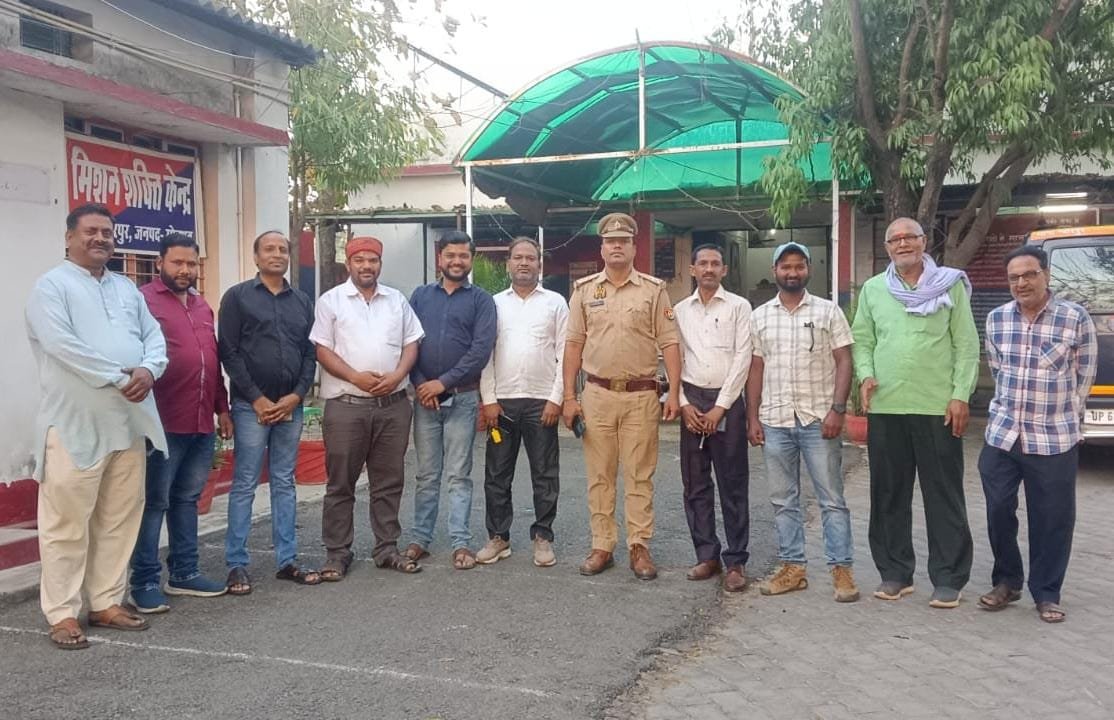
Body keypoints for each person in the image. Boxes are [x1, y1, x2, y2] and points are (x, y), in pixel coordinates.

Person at [26, 203, 167, 649]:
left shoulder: (126, 288)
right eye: (90, 231)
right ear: (69, 237)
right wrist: (120, 376)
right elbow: (61, 345)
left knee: (119, 518)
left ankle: (106, 602)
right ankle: (62, 612)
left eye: (107, 232)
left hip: (128, 421)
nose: (100, 239)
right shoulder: (51, 287)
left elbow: (154, 337)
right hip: (74, 424)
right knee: (66, 523)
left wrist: (149, 369)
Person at [852, 217, 980, 609]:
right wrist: (866, 375)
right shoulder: (874, 289)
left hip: (936, 407)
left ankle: (949, 578)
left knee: (943, 494)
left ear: (924, 242)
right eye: (896, 239)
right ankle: (895, 573)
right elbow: (862, 339)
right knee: (888, 493)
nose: (903, 243)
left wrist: (960, 395)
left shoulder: (949, 285)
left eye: (911, 237)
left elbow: (966, 345)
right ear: (887, 248)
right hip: (887, 406)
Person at [977, 245, 1097, 624]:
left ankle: (1046, 592)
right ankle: (1007, 581)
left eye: (1029, 274)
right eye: (1014, 277)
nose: (1021, 283)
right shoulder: (996, 319)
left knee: (1052, 518)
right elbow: (998, 370)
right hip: (1003, 435)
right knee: (998, 509)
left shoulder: (1074, 318)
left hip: (1053, 437)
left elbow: (1084, 378)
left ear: (1046, 275)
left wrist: (1068, 420)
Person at [562, 212, 682, 580]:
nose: (616, 246)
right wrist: (569, 396)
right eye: (610, 241)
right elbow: (573, 344)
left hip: (640, 396)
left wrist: (674, 393)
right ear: (601, 248)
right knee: (599, 474)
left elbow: (670, 342)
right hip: (597, 394)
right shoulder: (584, 291)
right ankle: (602, 545)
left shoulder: (653, 290)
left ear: (633, 247)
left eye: (623, 241)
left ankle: (639, 545)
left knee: (639, 474)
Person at [746, 242, 859, 603]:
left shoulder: (828, 311)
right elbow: (756, 368)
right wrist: (752, 416)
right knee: (783, 500)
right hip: (775, 419)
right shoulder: (760, 316)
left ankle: (841, 570)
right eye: (786, 267)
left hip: (818, 420)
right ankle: (793, 568)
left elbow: (844, 360)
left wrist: (837, 409)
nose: (792, 272)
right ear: (775, 271)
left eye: (799, 266)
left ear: (808, 269)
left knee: (832, 499)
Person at [310, 237, 424, 580]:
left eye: (372, 260)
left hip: (393, 405)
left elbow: (411, 343)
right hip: (347, 406)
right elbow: (322, 350)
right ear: (349, 264)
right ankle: (337, 553)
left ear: (380, 264)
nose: (366, 266)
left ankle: (386, 548)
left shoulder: (396, 301)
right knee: (340, 483)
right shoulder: (331, 301)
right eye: (359, 260)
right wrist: (355, 377)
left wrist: (399, 375)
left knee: (388, 481)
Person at [130, 233, 232, 613]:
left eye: (191, 263)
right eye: (177, 262)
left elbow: (211, 361)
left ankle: (184, 573)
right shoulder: (142, 301)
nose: (185, 270)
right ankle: (143, 581)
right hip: (162, 421)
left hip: (200, 420)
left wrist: (222, 408)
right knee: (154, 502)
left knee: (187, 499)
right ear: (160, 263)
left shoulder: (202, 306)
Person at [219, 230, 319, 594]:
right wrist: (257, 399)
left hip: (290, 405)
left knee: (284, 481)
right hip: (252, 407)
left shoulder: (302, 301)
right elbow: (228, 351)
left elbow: (310, 353)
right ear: (256, 257)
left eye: (282, 249)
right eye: (269, 249)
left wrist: (297, 395)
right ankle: (236, 564)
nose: (277, 254)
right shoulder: (238, 297)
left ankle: (287, 560)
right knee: (245, 482)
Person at [405, 231, 497, 570]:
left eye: (463, 256)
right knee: (426, 474)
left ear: (471, 259)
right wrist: (421, 385)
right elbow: (408, 342)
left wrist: (441, 384)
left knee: (459, 474)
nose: (457, 261)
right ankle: (420, 539)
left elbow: (480, 352)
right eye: (451, 255)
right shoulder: (420, 296)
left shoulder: (481, 301)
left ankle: (460, 542)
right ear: (439, 258)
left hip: (462, 399)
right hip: (425, 401)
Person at [477, 237, 568, 567]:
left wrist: (557, 398)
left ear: (540, 264)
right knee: (497, 475)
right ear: (508, 264)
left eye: (531, 257)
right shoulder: (493, 304)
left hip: (542, 403)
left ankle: (543, 536)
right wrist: (488, 400)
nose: (524, 263)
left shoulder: (555, 303)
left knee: (545, 474)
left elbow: (566, 353)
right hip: (502, 404)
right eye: (518, 257)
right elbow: (484, 354)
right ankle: (498, 537)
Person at [673, 244, 752, 592]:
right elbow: (673, 360)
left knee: (732, 483)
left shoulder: (739, 307)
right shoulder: (679, 311)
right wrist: (682, 402)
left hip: (727, 402)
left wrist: (721, 406)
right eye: (702, 263)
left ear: (724, 270)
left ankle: (735, 561)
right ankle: (707, 555)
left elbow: (743, 358)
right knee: (695, 483)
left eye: (715, 264)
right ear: (692, 269)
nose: (708, 269)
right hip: (691, 399)